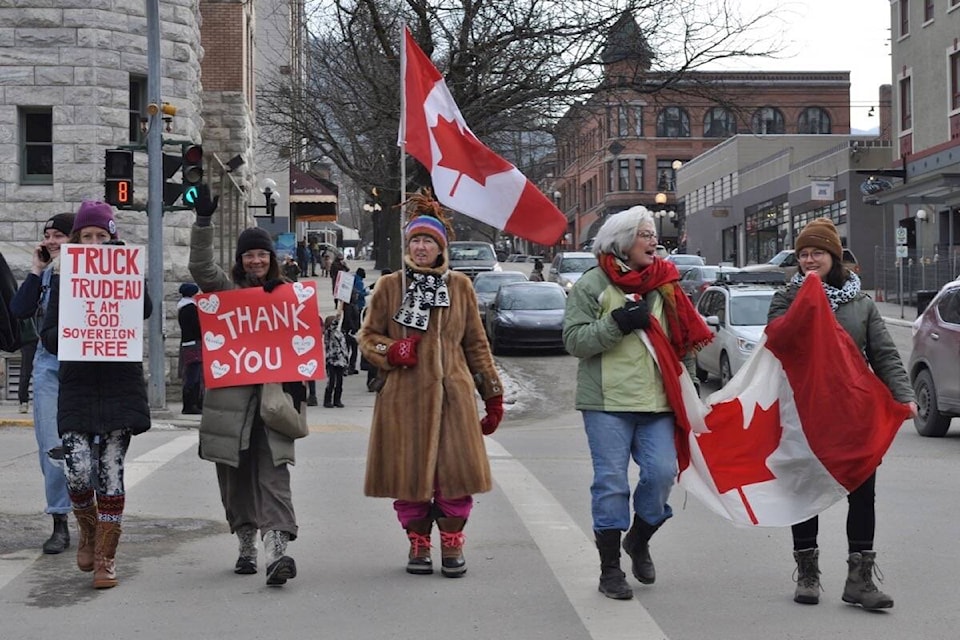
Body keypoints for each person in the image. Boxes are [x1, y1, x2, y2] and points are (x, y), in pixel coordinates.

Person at [562, 206, 712, 600]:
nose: (653, 241)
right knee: (611, 484)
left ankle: (639, 539)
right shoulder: (592, 285)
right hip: (606, 403)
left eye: (652, 234)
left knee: (662, 474)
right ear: (622, 241)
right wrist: (618, 323)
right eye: (645, 234)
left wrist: (691, 387)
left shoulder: (665, 284)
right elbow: (574, 341)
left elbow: (682, 343)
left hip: (658, 402)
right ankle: (610, 570)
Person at [768, 218, 917, 610]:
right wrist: (807, 300)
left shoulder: (861, 303)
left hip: (852, 412)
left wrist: (905, 397)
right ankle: (808, 574)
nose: (809, 260)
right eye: (802, 254)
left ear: (834, 256)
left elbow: (884, 354)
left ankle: (859, 580)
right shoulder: (787, 296)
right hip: (804, 412)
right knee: (804, 491)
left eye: (816, 253)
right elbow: (777, 339)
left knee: (862, 493)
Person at [358, 195, 503, 578]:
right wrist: (392, 350)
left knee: (455, 478)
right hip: (403, 399)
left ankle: (452, 541)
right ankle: (418, 542)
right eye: (415, 242)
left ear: (441, 247)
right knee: (410, 478)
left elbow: (476, 343)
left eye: (428, 242)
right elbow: (368, 336)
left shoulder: (460, 287)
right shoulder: (391, 286)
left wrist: (492, 394)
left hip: (454, 397)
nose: (421, 248)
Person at [188, 185, 301, 587]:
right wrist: (203, 223)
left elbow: (303, 350)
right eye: (249, 254)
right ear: (241, 260)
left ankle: (277, 553)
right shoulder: (226, 291)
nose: (256, 260)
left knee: (274, 478)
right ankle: (247, 545)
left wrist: (297, 391)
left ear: (272, 259)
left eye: (262, 254)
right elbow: (201, 268)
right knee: (234, 480)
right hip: (230, 404)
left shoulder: (288, 295)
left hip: (272, 404)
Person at [39, 201, 153, 589]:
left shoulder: (126, 271)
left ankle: (106, 558)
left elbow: (147, 310)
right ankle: (87, 532)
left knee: (110, 474)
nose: (93, 244)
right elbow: (48, 335)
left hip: (119, 387)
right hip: (79, 387)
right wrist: (75, 333)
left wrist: (125, 272)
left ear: (112, 238)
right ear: (75, 241)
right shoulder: (63, 279)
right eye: (86, 237)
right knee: (77, 471)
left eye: (100, 237)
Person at [9, 212, 75, 554]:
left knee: (89, 447)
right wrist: (36, 270)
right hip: (49, 365)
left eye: (59, 235)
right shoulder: (45, 275)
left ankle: (93, 518)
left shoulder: (88, 272)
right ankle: (60, 521)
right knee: (52, 446)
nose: (51, 241)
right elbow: (19, 309)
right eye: (47, 235)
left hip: (84, 368)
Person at [177, 283, 203, 415]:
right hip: (194, 344)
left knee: (191, 374)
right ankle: (191, 404)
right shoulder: (191, 308)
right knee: (194, 375)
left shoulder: (183, 307)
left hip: (187, 344)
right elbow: (197, 327)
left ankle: (191, 404)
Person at [322, 314, 348, 408]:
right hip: (332, 361)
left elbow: (344, 347)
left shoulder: (340, 333)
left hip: (341, 361)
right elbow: (333, 326)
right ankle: (327, 400)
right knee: (331, 381)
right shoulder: (328, 334)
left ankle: (337, 400)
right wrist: (338, 316)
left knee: (340, 382)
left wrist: (346, 359)